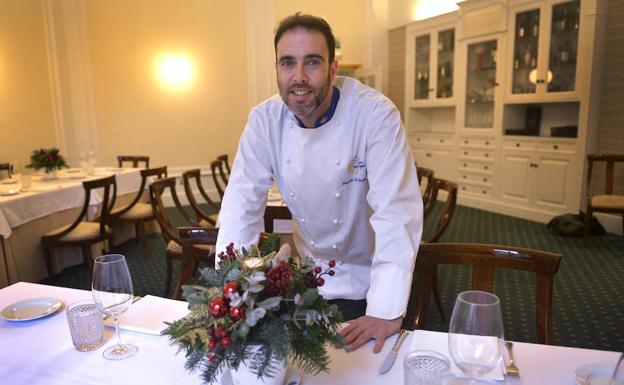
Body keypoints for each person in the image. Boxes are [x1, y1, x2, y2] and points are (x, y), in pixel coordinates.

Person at [216, 13, 423, 353]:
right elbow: (240, 207)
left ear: (332, 68)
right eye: (287, 63)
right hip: (312, 277)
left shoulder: (374, 115)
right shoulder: (264, 120)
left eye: (312, 62)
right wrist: (230, 292)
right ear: (277, 69)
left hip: (375, 277)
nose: (299, 77)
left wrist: (385, 310)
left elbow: (397, 213)